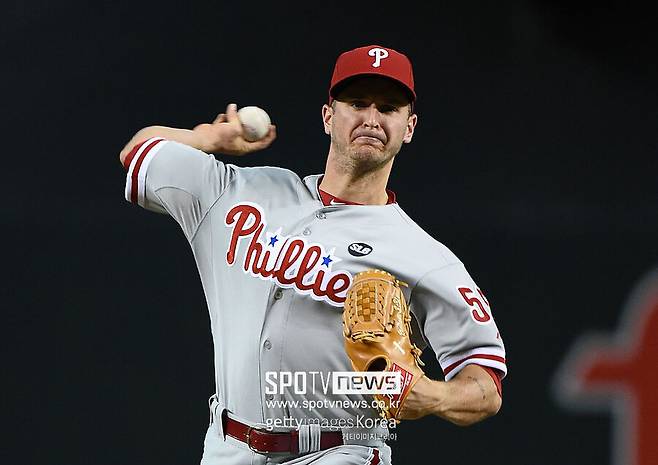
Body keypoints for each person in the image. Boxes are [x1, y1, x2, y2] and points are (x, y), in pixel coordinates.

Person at [119, 45, 506, 465]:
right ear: (328, 116)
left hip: (341, 450)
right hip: (228, 448)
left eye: (389, 108)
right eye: (357, 103)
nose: (371, 119)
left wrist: (431, 395)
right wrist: (206, 139)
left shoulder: (423, 255)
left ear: (408, 127)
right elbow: (140, 155)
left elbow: (485, 385)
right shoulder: (240, 193)